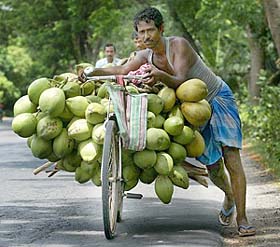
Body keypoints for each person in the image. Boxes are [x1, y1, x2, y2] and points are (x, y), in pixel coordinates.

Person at [80, 7, 256, 237]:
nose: (146, 37)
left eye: (150, 30)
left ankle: (242, 219)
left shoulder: (179, 45)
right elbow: (122, 69)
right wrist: (92, 71)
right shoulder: (145, 55)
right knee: (213, 166)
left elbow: (181, 80)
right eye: (141, 32)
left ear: (161, 29)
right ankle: (230, 196)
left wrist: (159, 75)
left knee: (231, 156)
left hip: (217, 98)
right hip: (193, 110)